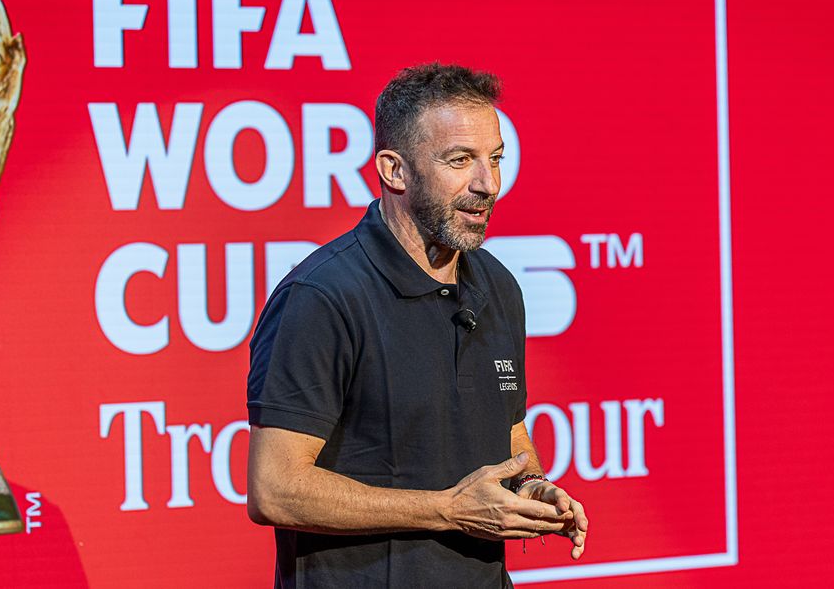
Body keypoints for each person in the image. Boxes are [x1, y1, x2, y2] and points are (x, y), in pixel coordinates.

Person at [246, 63, 588, 588]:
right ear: (394, 170)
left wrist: (534, 488)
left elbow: (510, 431)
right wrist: (446, 509)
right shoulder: (321, 298)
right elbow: (274, 488)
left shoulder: (498, 286)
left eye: (496, 159)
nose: (489, 184)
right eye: (460, 161)